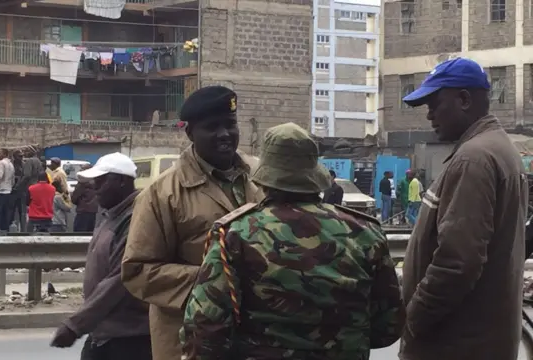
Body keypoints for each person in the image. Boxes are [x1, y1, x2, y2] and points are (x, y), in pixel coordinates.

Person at [181, 123, 404, 359]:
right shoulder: (365, 234)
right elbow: (387, 329)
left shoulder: (236, 234)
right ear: (315, 176)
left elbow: (204, 329)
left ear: (264, 179)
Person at [121, 85, 263, 360]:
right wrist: (214, 279)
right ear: (190, 134)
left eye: (230, 125)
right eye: (212, 127)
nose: (224, 135)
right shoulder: (162, 194)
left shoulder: (261, 177)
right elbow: (137, 270)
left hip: (252, 340)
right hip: (190, 341)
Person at [400, 57, 528, 360]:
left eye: (435, 104)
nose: (429, 116)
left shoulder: (475, 158)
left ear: (464, 99)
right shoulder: (496, 148)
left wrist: (412, 319)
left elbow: (458, 262)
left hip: (457, 344)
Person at [51, 152, 151, 360]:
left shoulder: (136, 220)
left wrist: (75, 325)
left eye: (102, 181)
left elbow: (118, 280)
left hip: (128, 340)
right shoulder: (110, 215)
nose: (95, 187)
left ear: (122, 182)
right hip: (103, 333)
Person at [71, 164, 98, 232]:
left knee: (78, 234)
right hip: (93, 212)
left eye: (82, 169)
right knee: (89, 234)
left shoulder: (82, 184)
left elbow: (74, 199)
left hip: (82, 212)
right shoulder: (96, 182)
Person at [8, 150, 27, 232]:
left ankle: (23, 230)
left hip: (21, 191)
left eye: (22, 156)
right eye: (19, 156)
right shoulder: (10, 164)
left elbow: (26, 176)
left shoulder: (24, 165)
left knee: (22, 212)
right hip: (12, 191)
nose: (21, 158)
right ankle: (10, 229)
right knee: (11, 211)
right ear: (14, 156)